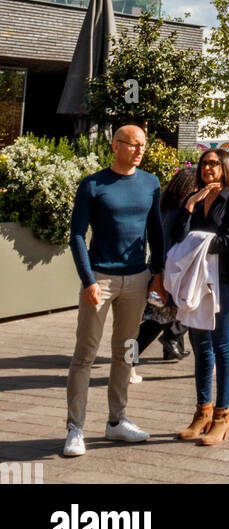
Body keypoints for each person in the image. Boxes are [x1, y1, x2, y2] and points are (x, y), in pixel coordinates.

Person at [63, 124, 166, 458]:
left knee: (126, 350)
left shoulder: (150, 183)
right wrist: (88, 279)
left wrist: (159, 272)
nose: (139, 150)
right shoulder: (92, 184)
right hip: (100, 279)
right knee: (85, 354)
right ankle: (75, 428)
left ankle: (116, 420)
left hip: (138, 279)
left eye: (143, 145)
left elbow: (156, 230)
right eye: (133, 144)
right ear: (115, 145)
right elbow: (77, 234)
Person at [170, 147, 229, 446]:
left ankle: (222, 416)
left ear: (225, 167)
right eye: (204, 164)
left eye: (214, 164)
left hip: (223, 282)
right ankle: (201, 413)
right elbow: (177, 235)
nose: (208, 169)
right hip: (196, 282)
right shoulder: (194, 198)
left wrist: (196, 244)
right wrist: (189, 205)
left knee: (221, 345)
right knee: (200, 346)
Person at [130, 165, 198, 378]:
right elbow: (179, 240)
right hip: (172, 274)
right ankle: (127, 363)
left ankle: (131, 362)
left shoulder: (163, 207)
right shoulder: (183, 211)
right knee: (153, 323)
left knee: (155, 321)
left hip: (159, 270)